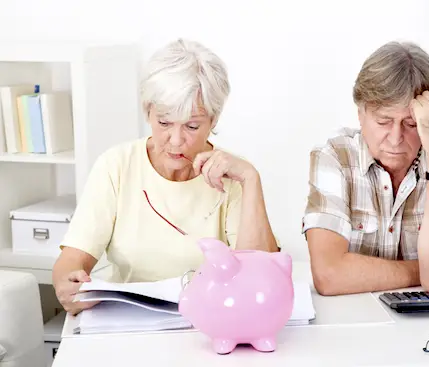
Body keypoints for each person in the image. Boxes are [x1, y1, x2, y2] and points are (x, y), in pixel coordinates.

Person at [52, 38, 279, 315]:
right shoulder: (116, 166)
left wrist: (250, 178)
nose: (176, 140)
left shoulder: (231, 175)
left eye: (192, 126)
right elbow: (71, 261)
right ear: (148, 111)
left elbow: (257, 276)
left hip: (210, 322)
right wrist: (70, 283)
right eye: (164, 122)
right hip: (129, 323)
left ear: (214, 120)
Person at [302, 41, 429, 314]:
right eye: (384, 121)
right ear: (360, 114)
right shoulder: (334, 157)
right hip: (355, 321)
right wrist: (423, 271)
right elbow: (329, 275)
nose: (396, 138)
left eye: (411, 124)